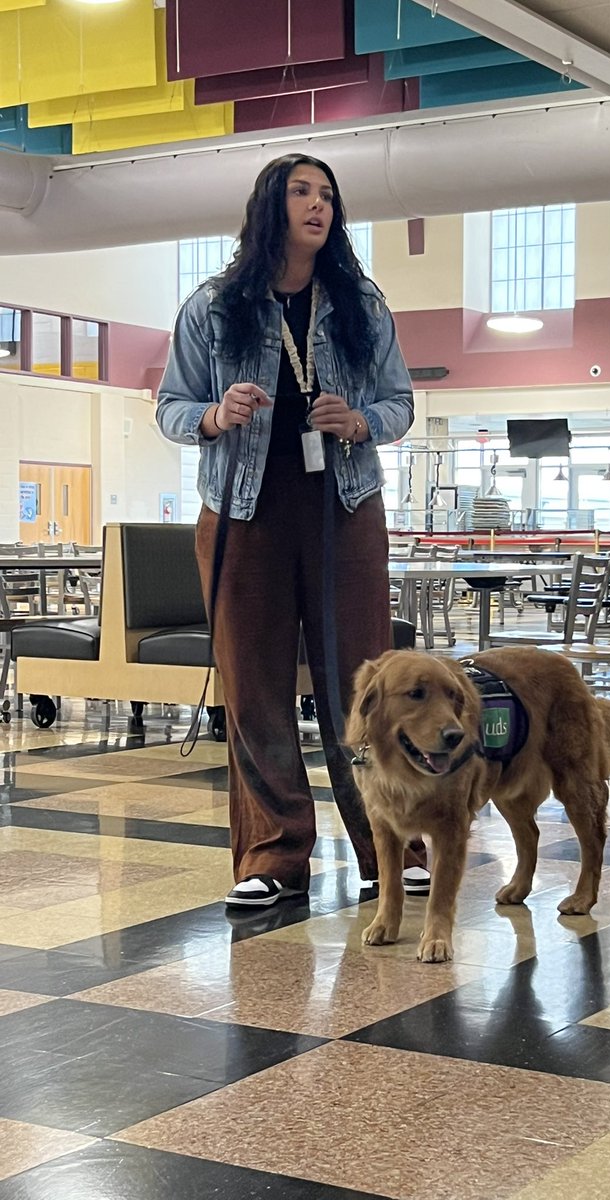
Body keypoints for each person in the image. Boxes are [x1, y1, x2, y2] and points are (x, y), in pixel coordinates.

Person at [156, 153, 428, 907]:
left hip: (345, 508)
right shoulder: (214, 306)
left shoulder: (360, 304)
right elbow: (172, 405)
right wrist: (214, 416)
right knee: (254, 689)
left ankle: (392, 848)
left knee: (366, 686)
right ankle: (271, 858)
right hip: (243, 514)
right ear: (270, 205)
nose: (318, 205)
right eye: (302, 191)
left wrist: (361, 420)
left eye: (328, 195)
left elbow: (400, 403)